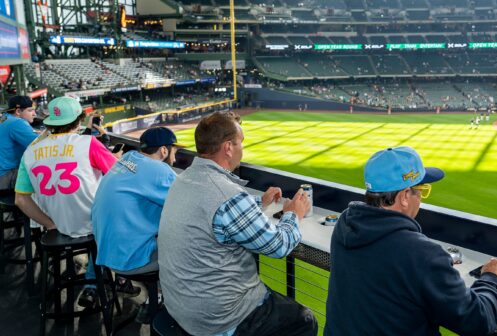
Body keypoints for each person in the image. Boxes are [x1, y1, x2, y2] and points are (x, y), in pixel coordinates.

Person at [158, 111, 318, 336]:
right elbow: (279, 246)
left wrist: (258, 202)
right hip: (218, 318)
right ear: (228, 148)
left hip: (182, 306)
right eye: (240, 142)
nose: (242, 149)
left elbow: (213, 210)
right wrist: (295, 214)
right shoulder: (226, 194)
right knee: (304, 320)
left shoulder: (184, 179)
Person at [325, 146, 497, 336]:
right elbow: (478, 321)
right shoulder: (422, 254)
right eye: (421, 190)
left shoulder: (345, 222)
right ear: (405, 196)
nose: (421, 199)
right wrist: (492, 278)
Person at [14, 96, 117, 308]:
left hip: (56, 228)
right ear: (79, 121)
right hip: (92, 226)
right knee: (111, 219)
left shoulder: (30, 151)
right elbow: (119, 177)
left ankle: (98, 279)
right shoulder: (88, 143)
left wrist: (50, 224)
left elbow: (21, 200)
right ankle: (104, 281)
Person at [92, 127, 182, 322]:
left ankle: (156, 296)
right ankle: (171, 307)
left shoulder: (125, 160)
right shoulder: (159, 170)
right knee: (188, 245)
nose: (175, 156)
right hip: (130, 261)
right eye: (174, 150)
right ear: (164, 151)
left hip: (106, 254)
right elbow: (191, 206)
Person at [0, 96, 38, 191]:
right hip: (7, 174)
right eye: (30, 110)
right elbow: (39, 145)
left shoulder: (5, 117)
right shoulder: (17, 123)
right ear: (18, 112)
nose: (34, 114)